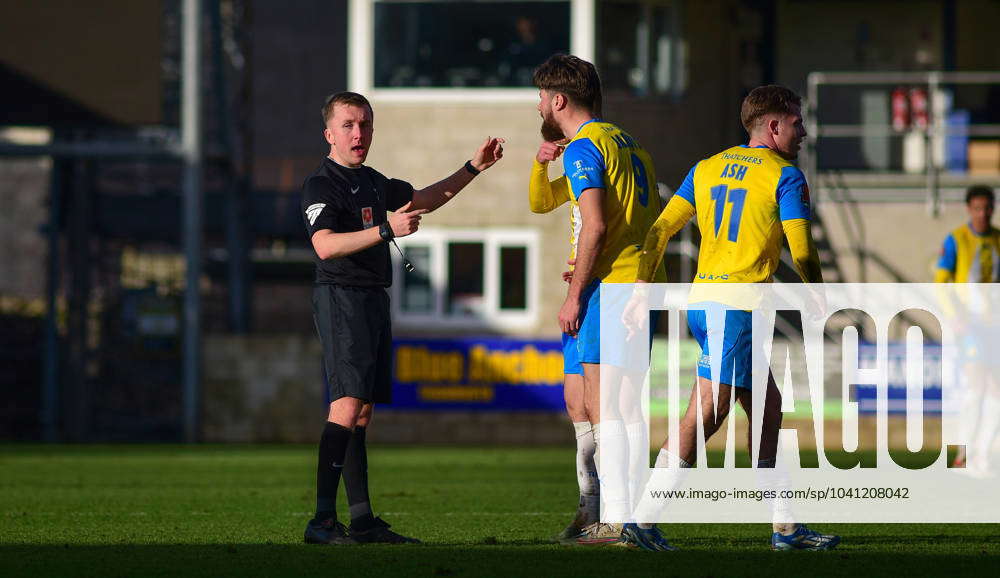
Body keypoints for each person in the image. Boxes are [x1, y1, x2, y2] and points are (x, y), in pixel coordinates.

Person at [623, 85, 840, 551]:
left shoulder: (706, 167)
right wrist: (818, 292)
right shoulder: (785, 175)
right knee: (708, 413)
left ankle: (785, 528)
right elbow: (800, 246)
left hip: (707, 303)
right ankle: (642, 520)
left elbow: (661, 228)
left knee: (767, 409)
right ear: (774, 125)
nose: (802, 132)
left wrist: (643, 286)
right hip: (736, 311)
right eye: (797, 123)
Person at [301, 91, 504, 544]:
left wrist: (472, 168)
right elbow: (325, 245)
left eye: (366, 125)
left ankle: (363, 520)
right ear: (329, 133)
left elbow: (425, 199)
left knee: (363, 412)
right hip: (341, 297)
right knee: (346, 403)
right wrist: (386, 229)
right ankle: (320, 521)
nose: (359, 133)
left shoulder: (373, 180)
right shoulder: (321, 184)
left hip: (374, 297)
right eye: (350, 125)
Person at [532, 54, 667, 545]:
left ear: (559, 100)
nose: (539, 107)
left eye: (541, 98)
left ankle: (614, 518)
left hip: (608, 287)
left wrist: (573, 295)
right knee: (622, 407)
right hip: (637, 285)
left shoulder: (585, 147)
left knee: (605, 406)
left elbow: (596, 225)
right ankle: (628, 518)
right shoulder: (628, 143)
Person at [935, 185, 1000, 473]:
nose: (983, 214)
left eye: (987, 208)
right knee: (976, 385)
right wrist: (955, 317)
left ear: (993, 209)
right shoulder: (956, 240)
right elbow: (941, 283)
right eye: (977, 208)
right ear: (968, 209)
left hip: (994, 325)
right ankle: (965, 451)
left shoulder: (998, 240)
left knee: (996, 392)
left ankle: (982, 453)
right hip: (969, 326)